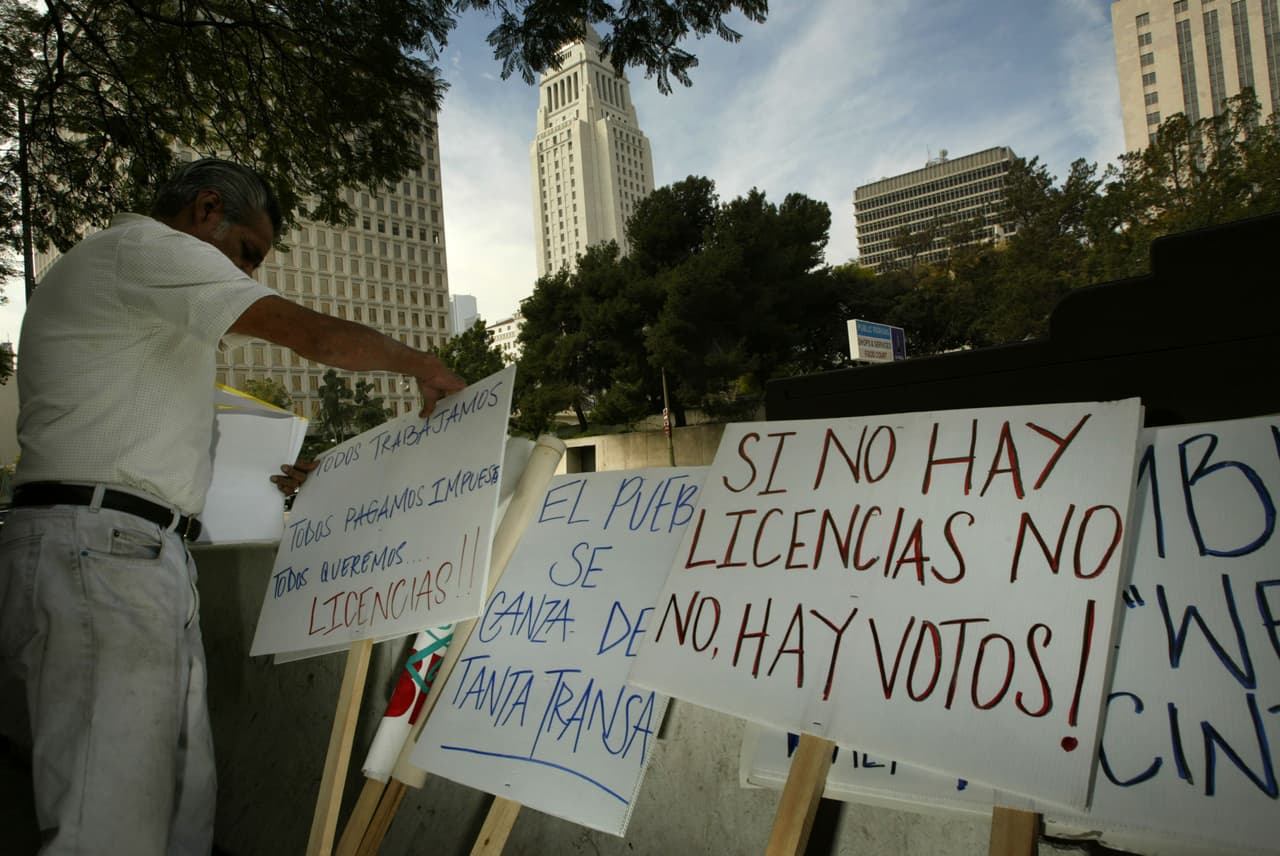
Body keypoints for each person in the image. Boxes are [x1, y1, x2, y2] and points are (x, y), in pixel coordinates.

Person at [0, 158, 465, 854]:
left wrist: (326, 482)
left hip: (130, 553)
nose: (246, 276)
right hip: (105, 556)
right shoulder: (145, 249)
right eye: (247, 253)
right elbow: (312, 335)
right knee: (111, 825)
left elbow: (145, 453)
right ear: (206, 210)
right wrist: (424, 366)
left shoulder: (137, 299)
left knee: (181, 808)